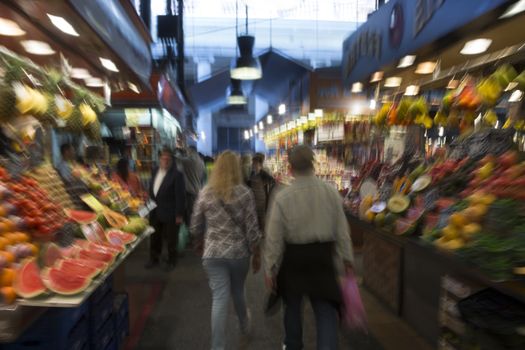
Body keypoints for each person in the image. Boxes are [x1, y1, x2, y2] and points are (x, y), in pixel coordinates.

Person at [264, 145, 354, 350]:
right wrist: (347, 259)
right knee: (325, 311)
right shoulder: (330, 193)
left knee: (293, 308)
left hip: (293, 259)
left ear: (290, 168)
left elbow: (274, 237)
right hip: (323, 258)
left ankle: (293, 345)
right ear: (313, 165)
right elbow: (342, 231)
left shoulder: (283, 197)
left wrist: (270, 268)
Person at [190, 151, 262, 350]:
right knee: (238, 291)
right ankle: (245, 327)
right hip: (239, 254)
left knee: (219, 298)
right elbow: (252, 228)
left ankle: (218, 347)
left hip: (213, 254)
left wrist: (198, 241)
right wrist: (257, 253)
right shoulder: (245, 193)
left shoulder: (205, 192)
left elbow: (195, 224)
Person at [146, 147, 186, 270]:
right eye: (163, 157)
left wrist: (179, 215)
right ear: (160, 158)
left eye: (168, 158)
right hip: (155, 211)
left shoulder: (177, 175)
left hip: (171, 212)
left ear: (172, 160)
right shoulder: (155, 170)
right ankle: (154, 259)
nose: (165, 159)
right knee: (155, 237)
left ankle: (171, 261)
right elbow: (152, 193)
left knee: (171, 240)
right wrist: (145, 210)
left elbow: (180, 196)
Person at [177, 145, 206, 226]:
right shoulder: (201, 161)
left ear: (191, 151)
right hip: (197, 190)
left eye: (188, 151)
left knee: (190, 214)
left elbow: (178, 159)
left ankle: (191, 232)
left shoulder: (190, 160)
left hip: (190, 192)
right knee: (194, 212)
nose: (187, 152)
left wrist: (178, 152)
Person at [247, 153, 276, 231]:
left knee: (261, 215)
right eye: (252, 162)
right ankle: (258, 230)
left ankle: (263, 231)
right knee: (255, 214)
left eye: (254, 162)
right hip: (254, 197)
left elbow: (272, 181)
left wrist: (265, 183)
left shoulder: (263, 173)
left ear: (259, 163)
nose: (253, 164)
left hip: (261, 197)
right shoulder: (252, 173)